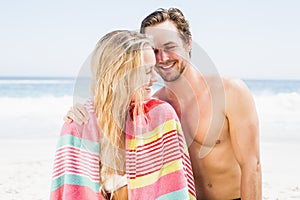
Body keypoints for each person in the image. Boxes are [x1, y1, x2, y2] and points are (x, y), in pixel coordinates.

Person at [66, 8, 262, 200]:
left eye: (170, 47)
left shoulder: (230, 92)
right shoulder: (152, 107)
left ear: (188, 43)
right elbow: (109, 118)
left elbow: (252, 166)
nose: (162, 58)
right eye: (154, 51)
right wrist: (78, 115)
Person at [51, 30, 196, 200]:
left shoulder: (161, 117)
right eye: (147, 71)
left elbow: (175, 188)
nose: (155, 78)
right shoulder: (79, 123)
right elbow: (71, 192)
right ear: (121, 73)